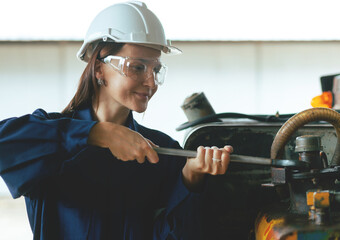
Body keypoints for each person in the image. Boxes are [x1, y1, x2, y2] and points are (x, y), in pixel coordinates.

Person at [0, 1, 233, 239]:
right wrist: (99, 133)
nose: (151, 83)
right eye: (137, 67)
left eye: (155, 70)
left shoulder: (161, 153)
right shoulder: (46, 138)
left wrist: (190, 178)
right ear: (99, 68)